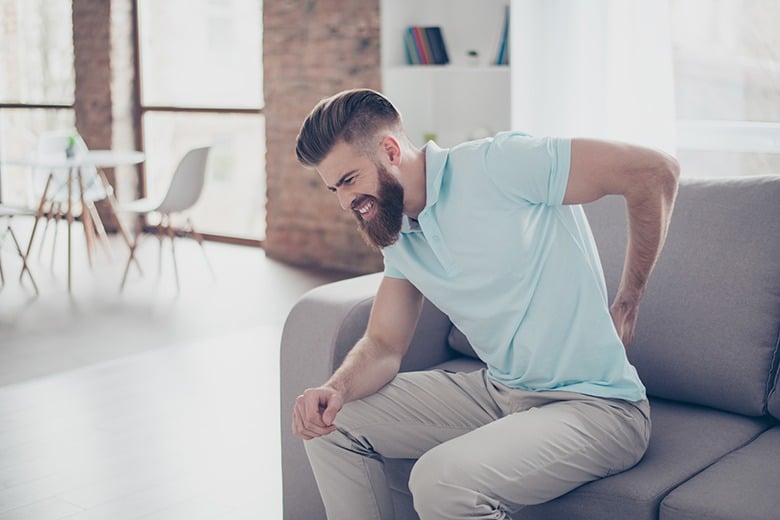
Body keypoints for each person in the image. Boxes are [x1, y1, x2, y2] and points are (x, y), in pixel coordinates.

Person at [292, 88, 679, 519]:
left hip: (598, 408)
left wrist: (629, 298)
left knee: (438, 480)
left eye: (349, 180)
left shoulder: (499, 164)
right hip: (501, 394)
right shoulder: (398, 233)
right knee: (329, 424)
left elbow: (655, 171)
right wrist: (335, 389)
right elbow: (384, 343)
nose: (346, 202)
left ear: (389, 150)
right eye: (334, 189)